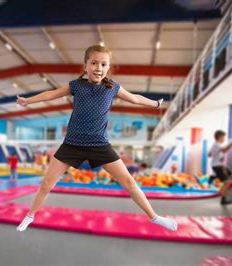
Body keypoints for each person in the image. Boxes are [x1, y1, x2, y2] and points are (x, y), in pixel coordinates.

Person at [15, 44, 177, 232]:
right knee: (46, 184)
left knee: (129, 183)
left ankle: (154, 217)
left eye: (103, 64)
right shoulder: (76, 86)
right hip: (72, 144)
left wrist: (155, 104)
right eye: (93, 63)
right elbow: (51, 94)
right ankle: (30, 216)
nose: (98, 68)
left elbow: (135, 99)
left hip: (99, 145)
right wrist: (28, 101)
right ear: (85, 66)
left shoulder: (112, 88)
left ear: (108, 68)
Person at [207, 130, 232, 205]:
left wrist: (217, 155)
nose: (224, 139)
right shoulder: (217, 145)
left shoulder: (214, 145)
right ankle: (223, 200)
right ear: (220, 137)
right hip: (218, 166)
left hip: (219, 165)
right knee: (227, 182)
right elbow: (225, 150)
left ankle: (214, 177)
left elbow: (209, 154)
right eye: (223, 137)